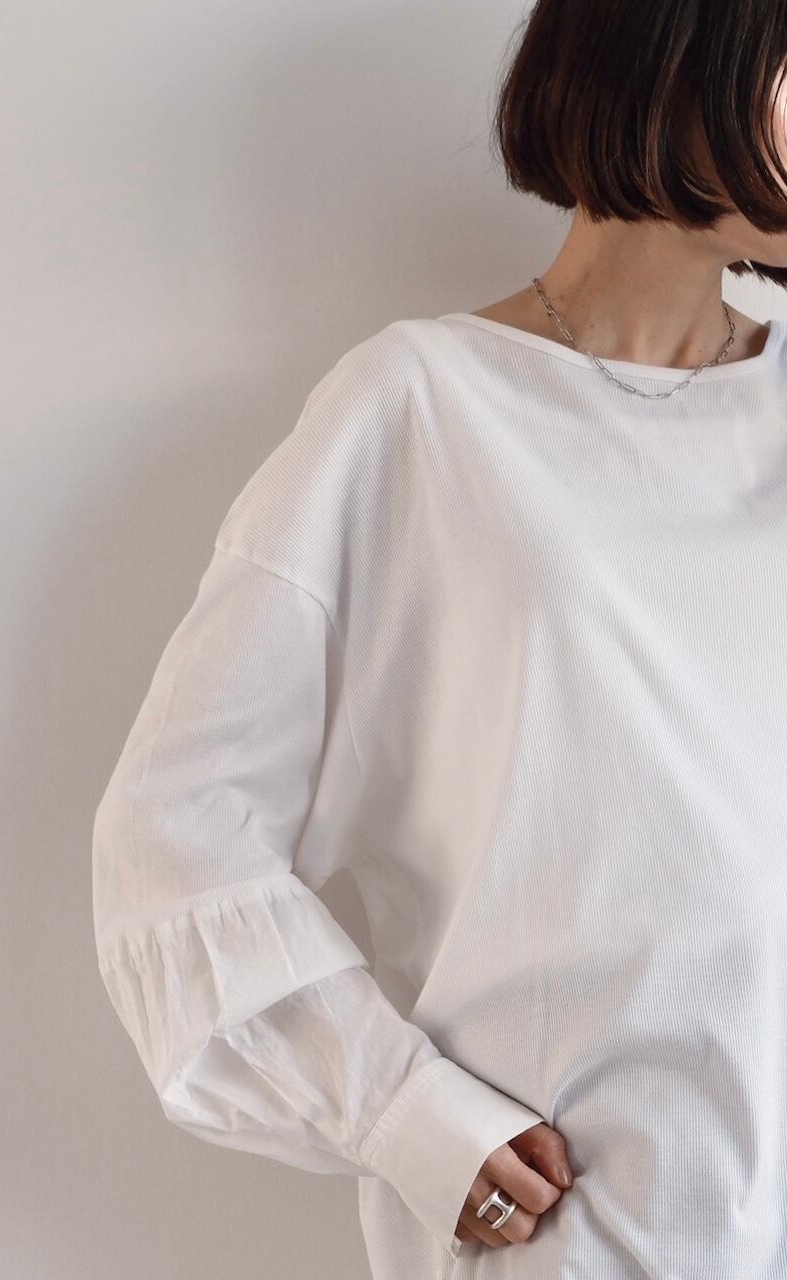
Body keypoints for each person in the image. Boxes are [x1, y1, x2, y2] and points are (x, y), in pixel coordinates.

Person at [91, 3, 787, 1276]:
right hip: (587, 1225)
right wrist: (406, 1115)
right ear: (668, 53)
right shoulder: (416, 408)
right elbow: (176, 832)